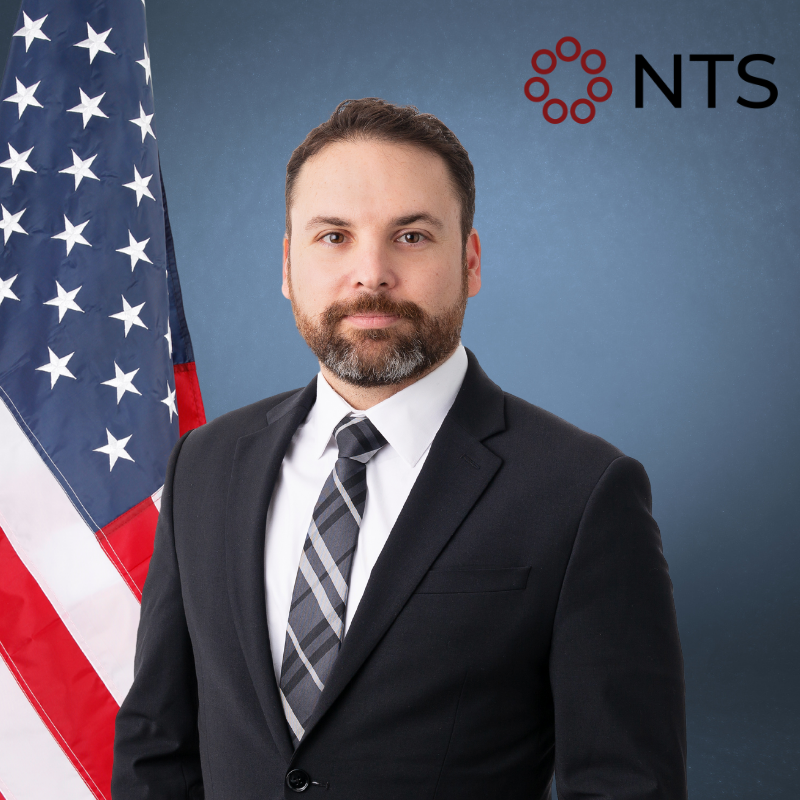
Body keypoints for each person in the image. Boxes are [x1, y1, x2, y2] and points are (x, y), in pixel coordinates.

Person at [112, 98, 687, 800]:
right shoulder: (204, 462)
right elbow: (157, 747)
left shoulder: (584, 490)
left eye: (411, 236)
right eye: (334, 237)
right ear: (289, 266)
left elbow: (626, 785)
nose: (372, 273)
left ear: (470, 260)